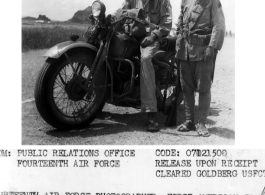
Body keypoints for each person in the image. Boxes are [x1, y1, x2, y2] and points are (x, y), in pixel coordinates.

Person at [175, 0, 225, 136]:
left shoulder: (213, 2)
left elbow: (218, 25)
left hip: (203, 51)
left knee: (203, 87)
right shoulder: (186, 1)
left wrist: (211, 47)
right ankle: (189, 120)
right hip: (185, 50)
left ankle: (201, 122)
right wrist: (179, 36)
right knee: (186, 87)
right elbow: (181, 20)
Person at [121, 0, 172, 132]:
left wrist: (154, 35)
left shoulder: (162, 1)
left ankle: (151, 112)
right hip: (132, 33)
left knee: (145, 59)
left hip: (151, 36)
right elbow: (122, 13)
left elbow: (166, 23)